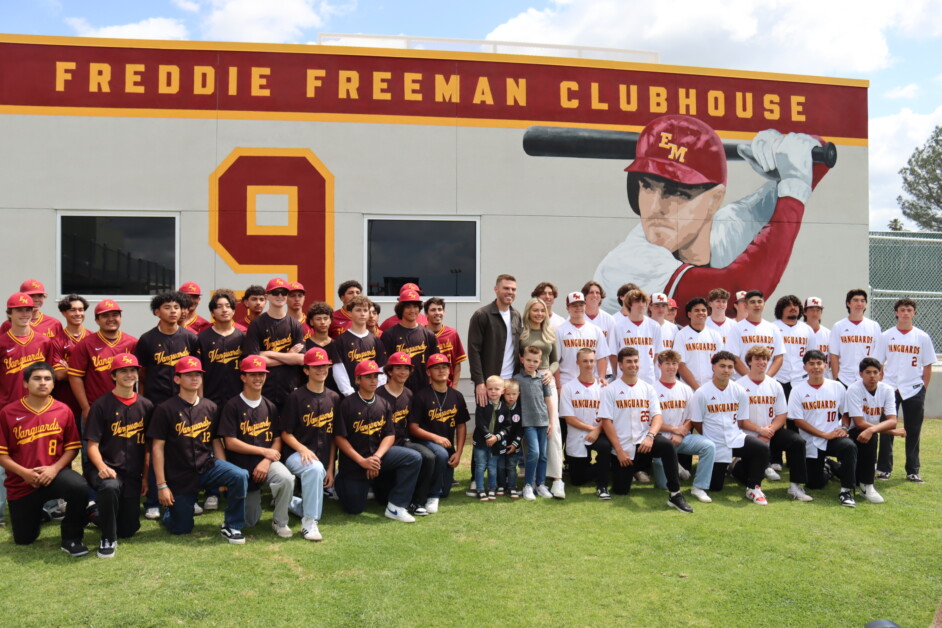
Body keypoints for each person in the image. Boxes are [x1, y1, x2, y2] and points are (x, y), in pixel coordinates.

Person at [594, 115, 831, 318]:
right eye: (647, 186)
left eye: (677, 192)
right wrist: (792, 183)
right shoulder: (626, 263)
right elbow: (736, 293)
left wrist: (795, 149)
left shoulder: (727, 227)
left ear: (715, 199)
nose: (656, 207)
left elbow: (806, 172)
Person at [148, 356, 249, 542]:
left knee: (239, 475)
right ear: (177, 379)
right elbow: (157, 448)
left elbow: (216, 441)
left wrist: (224, 472)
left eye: (198, 375)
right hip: (180, 474)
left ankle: (232, 526)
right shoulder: (165, 409)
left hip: (207, 467)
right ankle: (170, 512)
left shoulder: (210, 406)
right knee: (181, 528)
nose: (194, 378)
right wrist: (162, 485)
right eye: (188, 375)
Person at [0, 362, 89, 555]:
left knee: (79, 487)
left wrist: (54, 469)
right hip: (22, 482)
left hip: (54, 476)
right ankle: (36, 513)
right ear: (25, 383)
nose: (43, 383)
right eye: (37, 378)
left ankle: (71, 538)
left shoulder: (63, 410)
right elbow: (2, 454)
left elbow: (72, 448)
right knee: (24, 539)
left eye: (48, 379)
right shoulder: (8, 413)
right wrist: (24, 473)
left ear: (53, 384)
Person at [597, 347, 694, 512]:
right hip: (624, 444)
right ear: (620, 365)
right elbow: (606, 422)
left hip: (644, 439)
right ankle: (627, 472)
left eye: (635, 361)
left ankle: (675, 494)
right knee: (621, 490)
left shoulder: (648, 388)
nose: (633, 365)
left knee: (666, 446)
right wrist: (619, 450)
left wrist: (650, 436)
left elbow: (657, 416)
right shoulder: (610, 390)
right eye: (628, 361)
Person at [216, 356, 296, 538]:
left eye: (261, 374)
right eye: (253, 374)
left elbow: (277, 439)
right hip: (241, 467)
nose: (258, 378)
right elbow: (230, 442)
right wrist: (263, 451)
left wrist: (267, 460)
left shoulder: (270, 406)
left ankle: (280, 521)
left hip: (266, 464)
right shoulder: (232, 405)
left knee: (286, 479)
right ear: (243, 377)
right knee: (249, 522)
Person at [333, 359, 421, 522]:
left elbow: (389, 435)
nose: (373, 380)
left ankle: (396, 506)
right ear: (358, 380)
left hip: (378, 457)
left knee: (413, 457)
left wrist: (376, 458)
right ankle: (340, 481)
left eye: (375, 376)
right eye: (368, 377)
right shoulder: (347, 404)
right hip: (354, 461)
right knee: (355, 509)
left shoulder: (383, 403)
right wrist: (362, 461)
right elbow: (339, 438)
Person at [83, 353, 153, 557]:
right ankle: (107, 538)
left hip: (131, 472)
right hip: (105, 468)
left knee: (129, 530)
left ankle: (93, 512)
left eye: (133, 370)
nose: (129, 374)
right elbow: (92, 446)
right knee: (110, 486)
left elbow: (148, 446)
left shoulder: (146, 405)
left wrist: (146, 476)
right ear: (113, 375)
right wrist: (102, 467)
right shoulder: (101, 405)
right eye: (123, 371)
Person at [688, 351, 771, 505]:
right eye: (722, 366)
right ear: (713, 366)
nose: (726, 370)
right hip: (715, 442)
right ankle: (733, 469)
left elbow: (741, 420)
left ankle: (753, 488)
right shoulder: (701, 393)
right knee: (715, 487)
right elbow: (697, 423)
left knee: (761, 448)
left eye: (730, 367)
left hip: (735, 438)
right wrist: (710, 437)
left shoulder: (739, 390)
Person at [737, 346, 812, 501]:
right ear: (749, 362)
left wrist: (769, 431)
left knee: (797, 441)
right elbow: (738, 419)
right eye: (757, 359)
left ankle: (795, 486)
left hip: (770, 431)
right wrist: (760, 430)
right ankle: (739, 469)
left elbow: (782, 414)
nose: (762, 362)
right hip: (745, 434)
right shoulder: (738, 385)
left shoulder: (775, 384)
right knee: (744, 475)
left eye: (765, 359)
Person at [875, 298, 935, 482]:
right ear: (896, 313)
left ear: (914, 313)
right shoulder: (886, 335)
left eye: (909, 310)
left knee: (913, 430)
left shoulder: (922, 337)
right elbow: (878, 363)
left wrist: (923, 388)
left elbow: (927, 366)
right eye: (902, 310)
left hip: (914, 389)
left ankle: (913, 470)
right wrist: (882, 385)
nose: (906, 313)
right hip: (890, 388)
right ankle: (884, 468)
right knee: (886, 429)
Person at [280, 347, 337, 541]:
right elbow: (286, 433)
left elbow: (333, 438)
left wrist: (330, 468)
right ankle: (309, 523)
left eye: (324, 366)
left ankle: (291, 502)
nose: (321, 370)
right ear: (306, 370)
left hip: (321, 458)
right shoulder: (295, 397)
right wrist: (303, 449)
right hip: (295, 454)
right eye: (315, 367)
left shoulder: (334, 398)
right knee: (313, 469)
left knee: (317, 468)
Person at [789, 350, 857, 507]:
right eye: (811, 364)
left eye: (819, 363)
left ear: (825, 365)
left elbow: (845, 412)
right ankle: (829, 467)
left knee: (849, 446)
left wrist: (845, 428)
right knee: (814, 484)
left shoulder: (836, 386)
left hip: (833, 437)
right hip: (811, 440)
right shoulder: (797, 390)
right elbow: (798, 421)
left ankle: (846, 491)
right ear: (805, 367)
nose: (816, 367)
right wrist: (822, 434)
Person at [650, 350, 715, 503]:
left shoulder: (686, 389)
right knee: (663, 485)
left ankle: (699, 487)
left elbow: (692, 416)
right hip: (660, 441)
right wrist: (673, 430)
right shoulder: (651, 389)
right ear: (659, 365)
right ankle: (675, 466)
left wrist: (681, 432)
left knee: (709, 446)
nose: (671, 367)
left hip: (682, 438)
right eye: (667, 363)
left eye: (674, 363)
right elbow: (649, 421)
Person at [376, 351, 436, 516]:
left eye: (406, 368)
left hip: (402, 441)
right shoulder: (379, 394)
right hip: (381, 446)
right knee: (382, 497)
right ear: (389, 371)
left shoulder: (409, 394)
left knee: (429, 456)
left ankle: (418, 502)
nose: (403, 372)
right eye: (398, 368)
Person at [408, 353, 469, 512]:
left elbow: (461, 425)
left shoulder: (457, 396)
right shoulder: (421, 396)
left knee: (446, 492)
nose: (441, 370)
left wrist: (459, 452)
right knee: (441, 454)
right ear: (428, 372)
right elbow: (413, 427)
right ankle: (432, 496)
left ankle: (435, 491)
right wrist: (435, 438)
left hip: (446, 446)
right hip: (424, 442)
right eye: (436, 368)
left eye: (444, 367)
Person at [518, 296, 564, 499]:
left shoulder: (549, 333)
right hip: (528, 383)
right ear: (528, 312)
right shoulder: (522, 335)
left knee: (551, 429)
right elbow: (517, 359)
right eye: (535, 310)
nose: (539, 314)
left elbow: (556, 361)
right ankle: (531, 479)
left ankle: (555, 478)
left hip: (546, 381)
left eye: (542, 310)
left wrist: (549, 372)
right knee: (529, 432)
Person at [68, 299, 138, 423]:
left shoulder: (132, 342)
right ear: (97, 320)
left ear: (120, 317)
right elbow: (75, 376)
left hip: (127, 407)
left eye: (115, 315)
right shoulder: (85, 344)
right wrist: (85, 408)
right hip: (96, 408)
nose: (111, 319)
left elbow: (142, 375)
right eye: (105, 316)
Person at [242, 278, 305, 411]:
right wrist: (288, 357)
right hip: (264, 389)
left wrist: (269, 354)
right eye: (276, 292)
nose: (280, 296)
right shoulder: (257, 324)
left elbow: (300, 359)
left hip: (289, 388)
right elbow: (254, 360)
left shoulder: (295, 325)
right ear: (267, 296)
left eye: (284, 292)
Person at [846, 357, 902, 504]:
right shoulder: (854, 389)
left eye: (875, 372)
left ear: (881, 374)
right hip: (850, 431)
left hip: (869, 431)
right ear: (860, 374)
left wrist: (873, 430)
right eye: (868, 372)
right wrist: (892, 432)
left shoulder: (887, 390)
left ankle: (866, 484)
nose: (872, 376)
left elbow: (892, 420)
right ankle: (866, 484)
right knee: (869, 438)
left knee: (870, 438)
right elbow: (858, 423)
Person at [559, 348, 611, 499]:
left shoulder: (603, 388)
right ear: (578, 363)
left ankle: (602, 486)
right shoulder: (568, 388)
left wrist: (597, 430)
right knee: (577, 480)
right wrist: (591, 429)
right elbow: (569, 419)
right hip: (577, 435)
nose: (589, 364)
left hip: (599, 433)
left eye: (591, 361)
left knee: (605, 446)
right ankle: (607, 467)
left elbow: (608, 416)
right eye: (585, 361)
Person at [135, 291, 200, 407]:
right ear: (157, 312)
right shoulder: (147, 339)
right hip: (155, 400)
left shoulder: (191, 338)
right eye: (167, 307)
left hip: (184, 399)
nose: (173, 311)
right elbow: (142, 373)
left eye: (176, 307)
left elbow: (197, 371)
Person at [468, 274, 523, 407]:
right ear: (496, 289)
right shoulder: (482, 315)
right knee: (488, 425)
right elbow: (474, 351)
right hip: (490, 385)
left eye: (513, 289)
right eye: (506, 288)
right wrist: (480, 382)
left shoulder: (516, 315)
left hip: (511, 384)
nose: (510, 292)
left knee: (511, 425)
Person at [513, 345, 555, 501]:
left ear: (540, 362)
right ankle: (528, 485)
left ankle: (541, 484)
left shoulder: (543, 378)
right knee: (534, 453)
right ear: (522, 359)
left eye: (535, 361)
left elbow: (548, 401)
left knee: (543, 455)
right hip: (528, 422)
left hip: (543, 422)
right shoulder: (517, 379)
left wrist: (551, 421)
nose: (531, 363)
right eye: (528, 360)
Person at [381, 289, 439, 391]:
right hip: (397, 390)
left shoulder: (429, 334)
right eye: (408, 307)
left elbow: (435, 364)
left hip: (423, 389)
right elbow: (384, 366)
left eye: (415, 306)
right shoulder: (389, 334)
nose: (412, 310)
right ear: (401, 309)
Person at [330, 295, 388, 396]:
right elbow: (338, 370)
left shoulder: (375, 340)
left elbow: (381, 368)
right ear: (349, 313)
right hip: (351, 396)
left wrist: (377, 390)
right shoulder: (340, 341)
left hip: (373, 395)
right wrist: (349, 393)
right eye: (358, 310)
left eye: (365, 310)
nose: (362, 314)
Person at [197, 289, 245, 408]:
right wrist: (200, 401)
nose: (224, 310)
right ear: (212, 312)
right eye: (219, 306)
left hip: (237, 400)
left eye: (228, 306)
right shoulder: (201, 338)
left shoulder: (243, 337)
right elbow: (198, 373)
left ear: (233, 311)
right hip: (210, 400)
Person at [829, 289, 882, 387]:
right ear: (848, 303)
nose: (859, 303)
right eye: (856, 300)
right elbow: (834, 355)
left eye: (862, 301)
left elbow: (878, 353)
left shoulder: (874, 326)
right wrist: (836, 378)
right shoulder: (839, 326)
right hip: (844, 378)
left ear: (866, 304)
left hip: (867, 378)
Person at [608, 289, 662, 384]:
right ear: (629, 304)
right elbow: (613, 355)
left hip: (648, 378)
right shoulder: (619, 326)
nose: (641, 304)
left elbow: (657, 353)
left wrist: (649, 369)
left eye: (643, 301)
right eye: (637, 301)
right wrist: (619, 373)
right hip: (624, 378)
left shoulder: (654, 326)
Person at [557, 291, 609, 388]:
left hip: (592, 382)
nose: (578, 308)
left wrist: (601, 377)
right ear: (567, 308)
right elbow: (556, 361)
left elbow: (602, 357)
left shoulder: (596, 330)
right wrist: (558, 386)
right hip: (567, 381)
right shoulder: (560, 331)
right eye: (574, 305)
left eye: (581, 305)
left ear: (585, 306)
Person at [726, 290, 784, 377]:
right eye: (752, 302)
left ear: (764, 304)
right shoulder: (736, 328)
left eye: (760, 302)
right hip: (743, 381)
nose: (757, 305)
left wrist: (766, 378)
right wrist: (750, 378)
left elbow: (779, 357)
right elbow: (734, 357)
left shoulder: (773, 328)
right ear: (746, 305)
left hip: (767, 381)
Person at [471, 376, 510, 501]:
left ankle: (492, 488)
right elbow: (480, 423)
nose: (493, 391)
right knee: (480, 466)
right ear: (486, 390)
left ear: (503, 391)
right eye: (490, 389)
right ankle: (480, 489)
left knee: (493, 466)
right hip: (481, 442)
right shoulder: (482, 405)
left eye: (496, 389)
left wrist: (496, 437)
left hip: (496, 443)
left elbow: (507, 426)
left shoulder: (504, 408)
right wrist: (488, 436)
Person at [51, 294, 89, 420]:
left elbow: (100, 372)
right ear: (64, 313)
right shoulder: (56, 341)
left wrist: (70, 369)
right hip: (66, 402)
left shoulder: (93, 338)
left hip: (90, 402)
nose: (78, 313)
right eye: (72, 310)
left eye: (81, 309)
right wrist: (87, 371)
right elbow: (59, 375)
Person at [675, 297, 724, 389]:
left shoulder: (715, 335)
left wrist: (712, 386)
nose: (701, 313)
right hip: (689, 388)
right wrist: (697, 388)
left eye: (703, 310)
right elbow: (680, 365)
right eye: (697, 310)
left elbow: (721, 362)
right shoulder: (681, 335)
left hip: (712, 387)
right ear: (689, 314)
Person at [772, 295, 813, 399]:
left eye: (795, 305)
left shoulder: (807, 329)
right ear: (781, 309)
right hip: (779, 378)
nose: (793, 308)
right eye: (788, 306)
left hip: (801, 379)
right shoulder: (772, 327)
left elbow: (812, 355)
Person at [423, 297, 466, 387]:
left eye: (440, 309)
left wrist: (454, 386)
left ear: (444, 312)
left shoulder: (452, 334)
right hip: (424, 387)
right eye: (433, 310)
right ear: (426, 313)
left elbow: (457, 363)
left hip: (447, 387)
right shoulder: (420, 334)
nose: (437, 313)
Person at [304, 301, 340, 394]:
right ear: (311, 322)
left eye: (325, 318)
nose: (323, 322)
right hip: (310, 394)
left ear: (330, 320)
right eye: (318, 319)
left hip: (334, 394)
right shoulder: (305, 345)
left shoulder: (338, 345)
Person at [497, 380, 523, 498]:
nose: (511, 397)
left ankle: (512, 486)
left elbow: (520, 430)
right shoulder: (499, 407)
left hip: (513, 444)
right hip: (500, 443)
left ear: (519, 394)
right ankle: (501, 486)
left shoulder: (520, 409)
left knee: (512, 466)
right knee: (501, 466)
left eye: (514, 394)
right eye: (508, 394)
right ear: (503, 394)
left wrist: (515, 444)